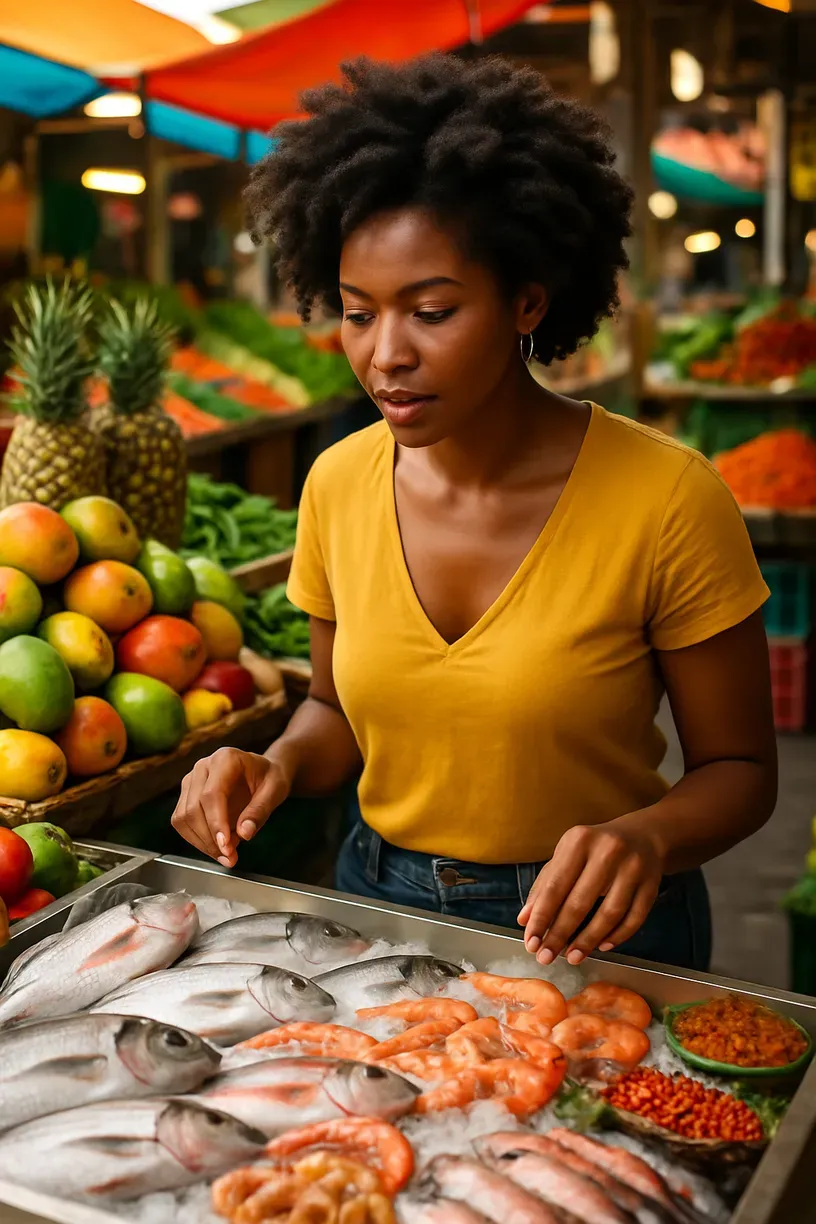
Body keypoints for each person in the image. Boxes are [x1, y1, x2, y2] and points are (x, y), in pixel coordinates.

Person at [172, 54, 777, 972]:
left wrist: (648, 838)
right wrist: (278, 766)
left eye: (432, 311)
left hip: (599, 931)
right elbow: (334, 708)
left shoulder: (667, 498)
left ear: (527, 301)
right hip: (378, 909)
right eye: (357, 313)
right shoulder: (336, 484)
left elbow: (740, 774)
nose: (386, 355)